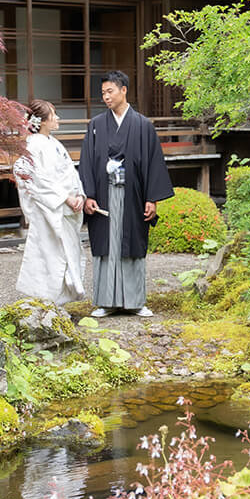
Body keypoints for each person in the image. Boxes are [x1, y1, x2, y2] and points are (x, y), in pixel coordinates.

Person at [79, 70, 174, 317]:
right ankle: (105, 302)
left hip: (132, 195)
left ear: (124, 90)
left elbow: (153, 162)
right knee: (106, 246)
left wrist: (151, 198)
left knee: (131, 244)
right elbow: (87, 161)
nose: (106, 97)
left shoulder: (142, 125)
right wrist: (88, 195)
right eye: (103, 93)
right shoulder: (97, 125)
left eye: (110, 91)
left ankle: (135, 302)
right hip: (103, 194)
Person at [13, 99, 87, 305]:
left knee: (66, 253)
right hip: (50, 209)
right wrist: (64, 197)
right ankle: (47, 301)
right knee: (49, 254)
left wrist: (79, 195)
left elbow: (71, 173)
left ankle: (60, 301)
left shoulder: (53, 143)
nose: (58, 119)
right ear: (42, 121)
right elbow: (28, 175)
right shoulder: (33, 144)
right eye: (53, 115)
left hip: (65, 206)